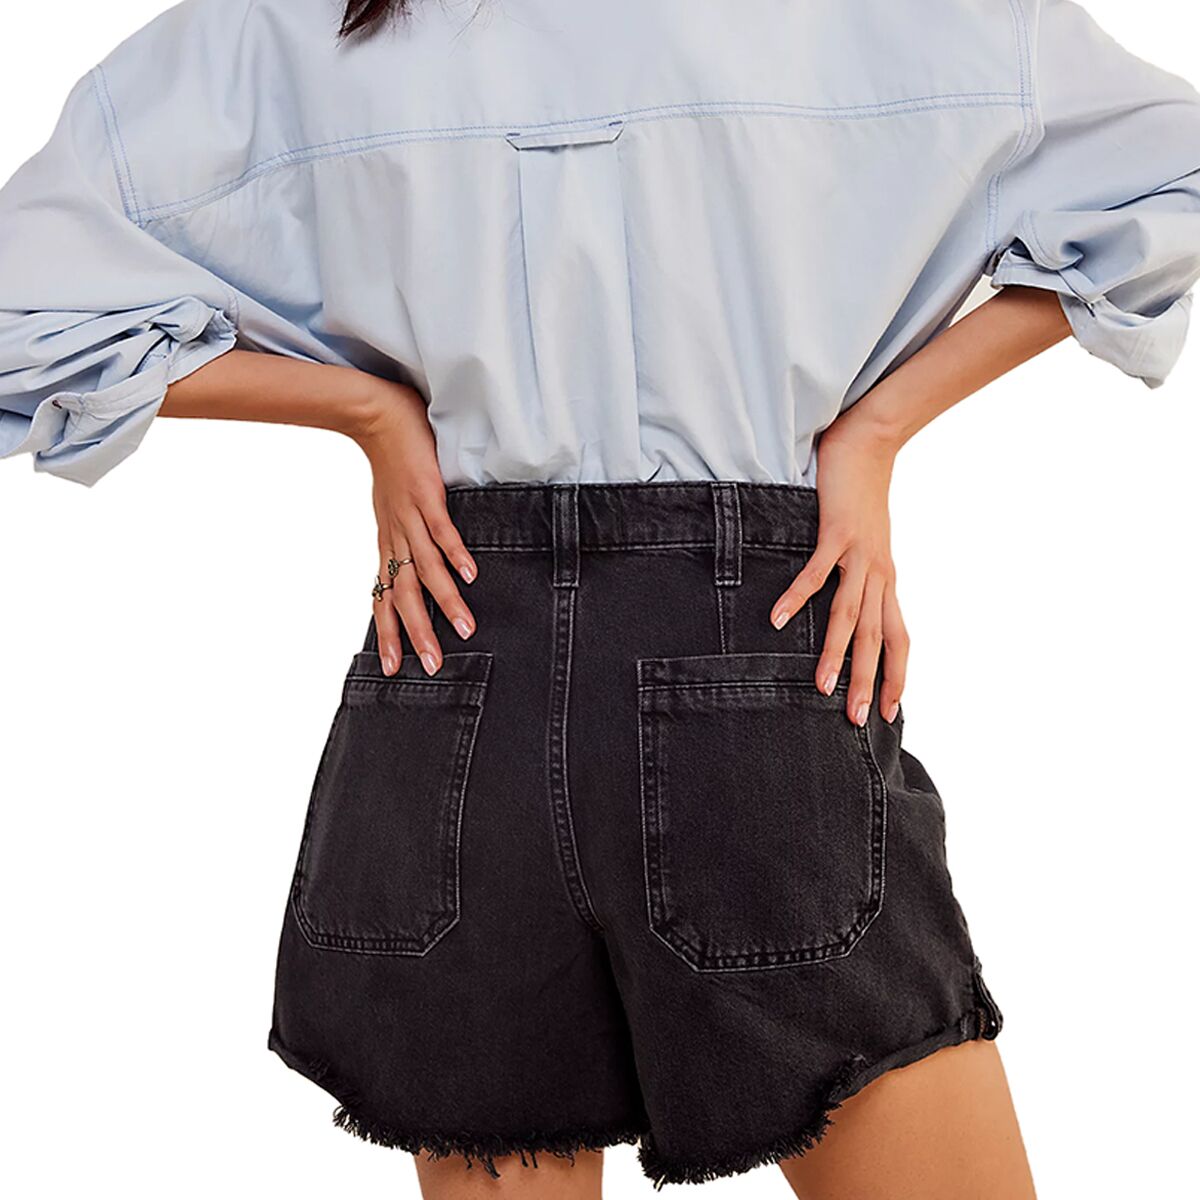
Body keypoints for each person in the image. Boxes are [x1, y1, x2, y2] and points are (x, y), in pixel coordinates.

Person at [2, 1, 1197, 1195]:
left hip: (456, 663)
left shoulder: (288, 31)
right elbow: (1173, 170)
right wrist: (874, 433)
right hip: (750, 651)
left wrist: (370, 412)